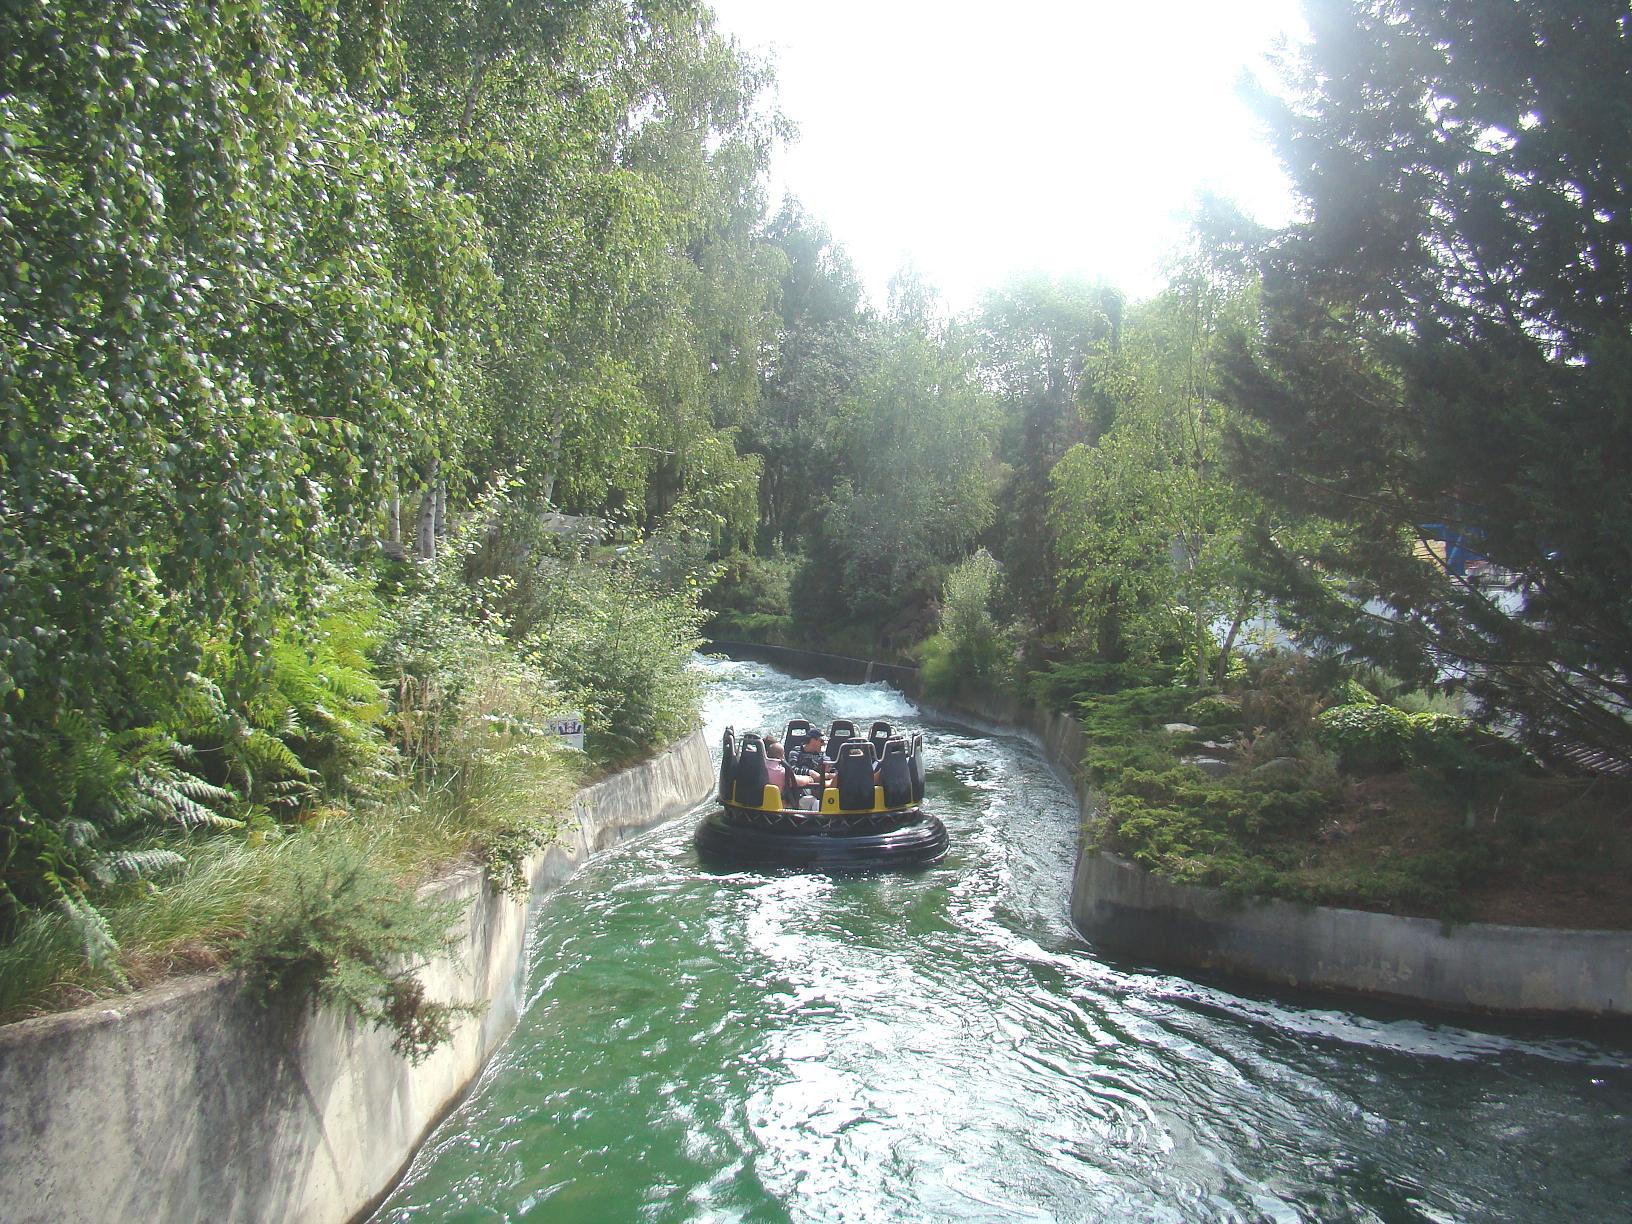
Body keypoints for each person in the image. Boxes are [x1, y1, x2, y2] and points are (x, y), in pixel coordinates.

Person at [789, 728, 831, 809]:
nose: (823, 744)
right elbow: (792, 770)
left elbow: (830, 767)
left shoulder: (822, 756)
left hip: (819, 787)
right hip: (801, 789)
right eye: (821, 741)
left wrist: (828, 771)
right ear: (812, 740)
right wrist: (810, 772)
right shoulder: (795, 752)